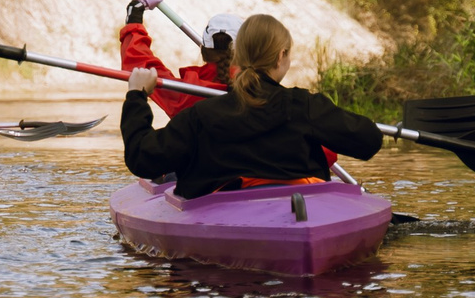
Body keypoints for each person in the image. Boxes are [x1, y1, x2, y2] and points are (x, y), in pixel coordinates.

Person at [121, 14, 379, 198]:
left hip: (220, 208)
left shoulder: (199, 114)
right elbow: (369, 141)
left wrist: (137, 96)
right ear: (281, 56)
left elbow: (142, 159)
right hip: (302, 203)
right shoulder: (305, 106)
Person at [118, 0, 237, 118]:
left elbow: (140, 64)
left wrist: (134, 15)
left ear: (204, 50)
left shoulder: (187, 93)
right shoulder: (258, 88)